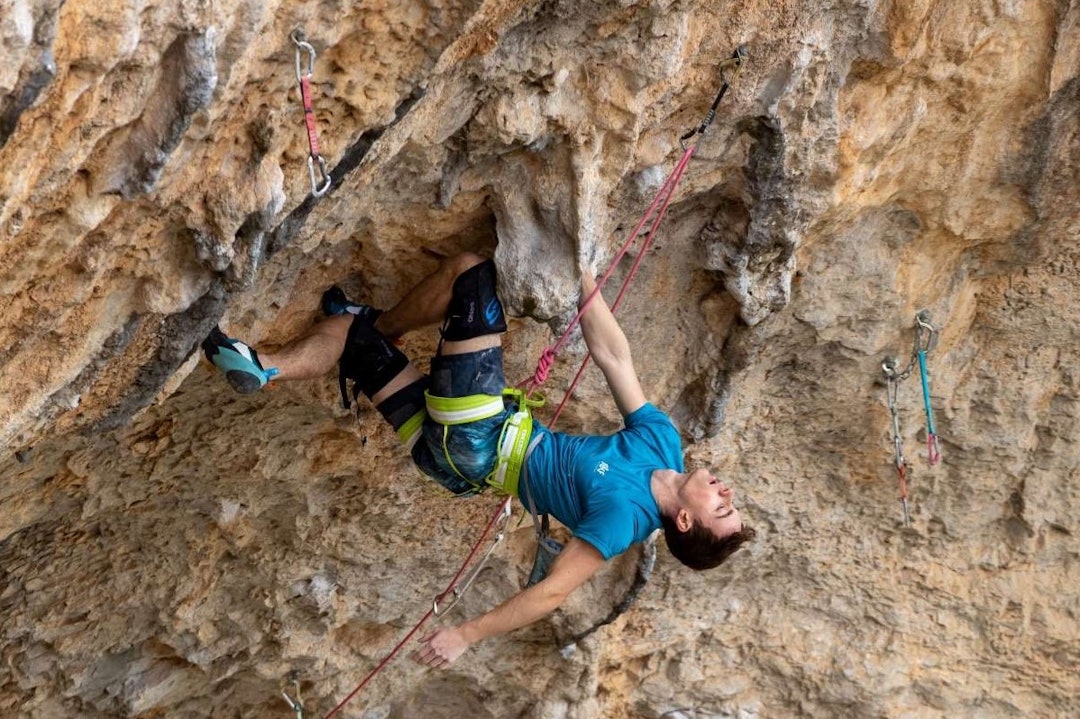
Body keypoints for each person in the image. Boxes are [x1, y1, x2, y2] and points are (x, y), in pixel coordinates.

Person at [201, 252, 754, 668]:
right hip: (455, 460)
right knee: (350, 336)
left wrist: (468, 634)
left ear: (684, 520)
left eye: (722, 509)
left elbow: (554, 592)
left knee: (472, 275)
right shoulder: (663, 445)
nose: (726, 493)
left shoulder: (623, 520)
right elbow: (613, 355)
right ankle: (265, 366)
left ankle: (376, 327)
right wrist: (582, 270)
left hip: (479, 440)